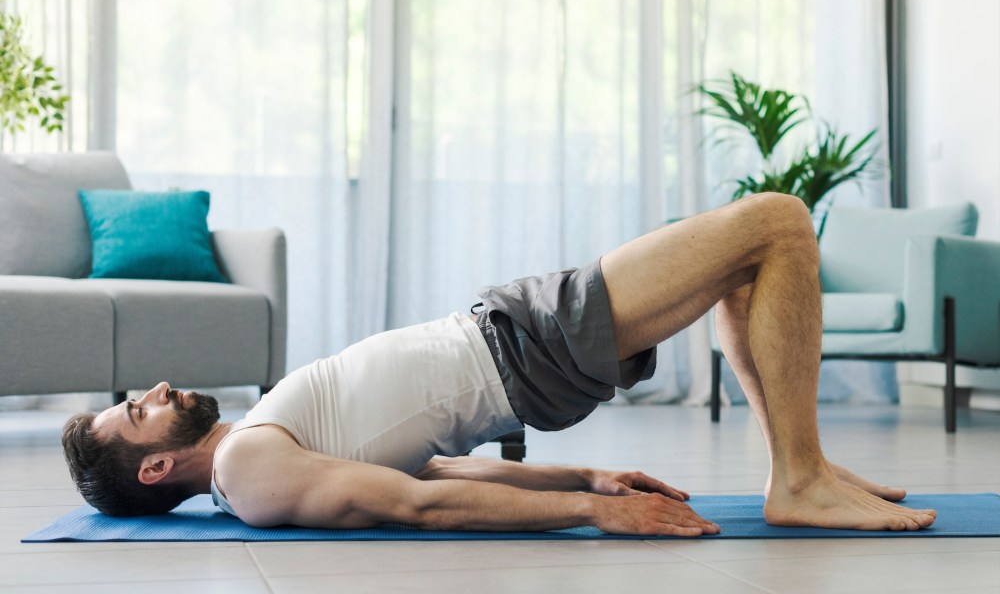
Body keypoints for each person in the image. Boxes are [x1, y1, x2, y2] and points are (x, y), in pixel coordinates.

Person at [62, 193, 937, 536]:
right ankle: (798, 478)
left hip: (513, 334)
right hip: (521, 349)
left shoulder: (260, 447)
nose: (157, 390)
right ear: (157, 465)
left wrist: (590, 477)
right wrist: (594, 518)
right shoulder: (250, 472)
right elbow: (420, 503)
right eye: (138, 411)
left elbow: (428, 460)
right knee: (776, 222)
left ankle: (805, 465)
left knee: (746, 262)